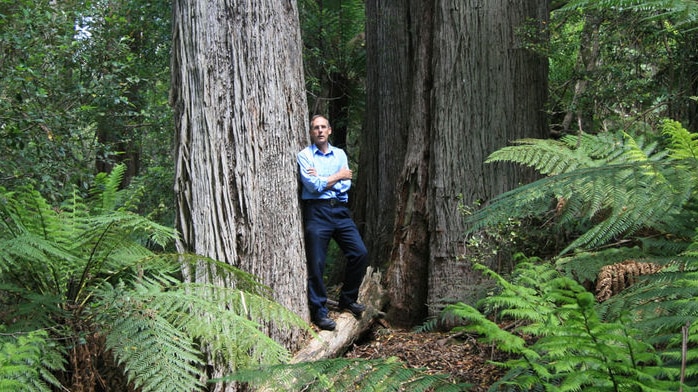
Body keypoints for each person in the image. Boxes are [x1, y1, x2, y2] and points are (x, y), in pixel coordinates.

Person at [297, 114, 368, 331]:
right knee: (317, 263)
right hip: (316, 212)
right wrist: (337, 176)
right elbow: (312, 186)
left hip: (340, 210)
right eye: (315, 127)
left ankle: (348, 299)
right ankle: (319, 311)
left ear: (329, 131)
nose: (319, 130)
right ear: (311, 132)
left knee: (360, 253)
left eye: (323, 127)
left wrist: (325, 179)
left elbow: (345, 185)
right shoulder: (305, 155)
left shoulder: (340, 154)